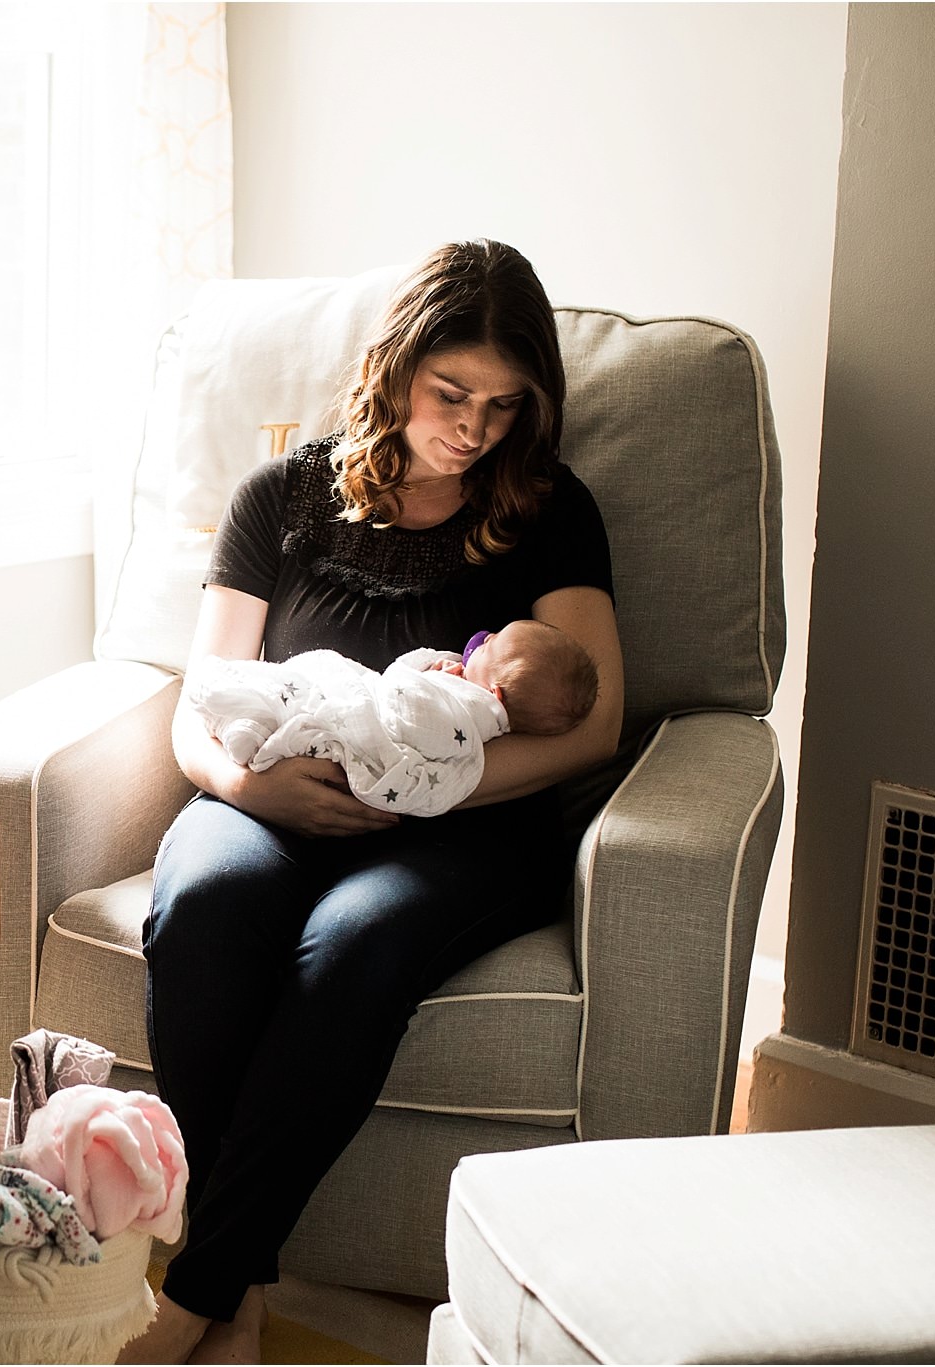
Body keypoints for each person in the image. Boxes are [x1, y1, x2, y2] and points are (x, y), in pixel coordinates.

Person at [121, 240, 624, 1365]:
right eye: (451, 392)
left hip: (460, 826)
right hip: (268, 791)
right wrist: (252, 787)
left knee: (347, 948)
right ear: (393, 366)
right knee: (200, 907)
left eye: (502, 404)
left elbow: (589, 722)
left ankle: (199, 1288)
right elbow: (198, 703)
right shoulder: (279, 497)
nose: (473, 426)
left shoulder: (549, 511)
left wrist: (425, 792)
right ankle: (245, 1289)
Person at [184, 617, 600, 818]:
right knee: (304, 693)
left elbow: (405, 704)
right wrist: (242, 788)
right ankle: (250, 726)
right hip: (257, 799)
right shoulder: (467, 694)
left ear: (495, 694)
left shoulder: (469, 710)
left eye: (491, 645)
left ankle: (250, 725)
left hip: (366, 722)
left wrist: (418, 669)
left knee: (309, 701)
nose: (482, 638)